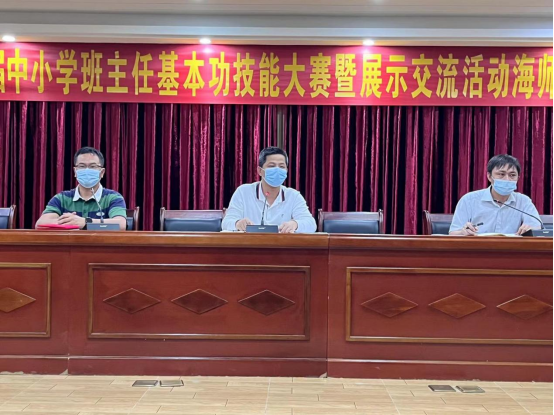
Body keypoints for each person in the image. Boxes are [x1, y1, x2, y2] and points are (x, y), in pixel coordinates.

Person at [222, 147, 317, 234]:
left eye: (282, 167)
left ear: (286, 171)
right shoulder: (243, 192)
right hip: (251, 245)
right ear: (260, 171)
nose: (277, 170)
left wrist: (295, 224)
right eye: (272, 166)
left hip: (282, 246)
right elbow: (226, 222)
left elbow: (311, 224)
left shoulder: (293, 196)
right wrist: (237, 223)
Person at [35, 147, 128, 231]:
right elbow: (40, 224)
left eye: (93, 166)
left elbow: (121, 224)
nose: (87, 170)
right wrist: (70, 221)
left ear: (102, 172)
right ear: (75, 171)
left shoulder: (113, 197)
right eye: (82, 166)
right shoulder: (61, 198)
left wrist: (86, 222)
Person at [450, 154, 542, 236]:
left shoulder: (523, 201)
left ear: (518, 178)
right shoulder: (469, 200)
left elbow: (537, 228)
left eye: (512, 175)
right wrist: (463, 232)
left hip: (512, 248)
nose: (507, 179)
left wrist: (531, 229)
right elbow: (453, 233)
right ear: (489, 176)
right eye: (501, 174)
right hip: (478, 248)